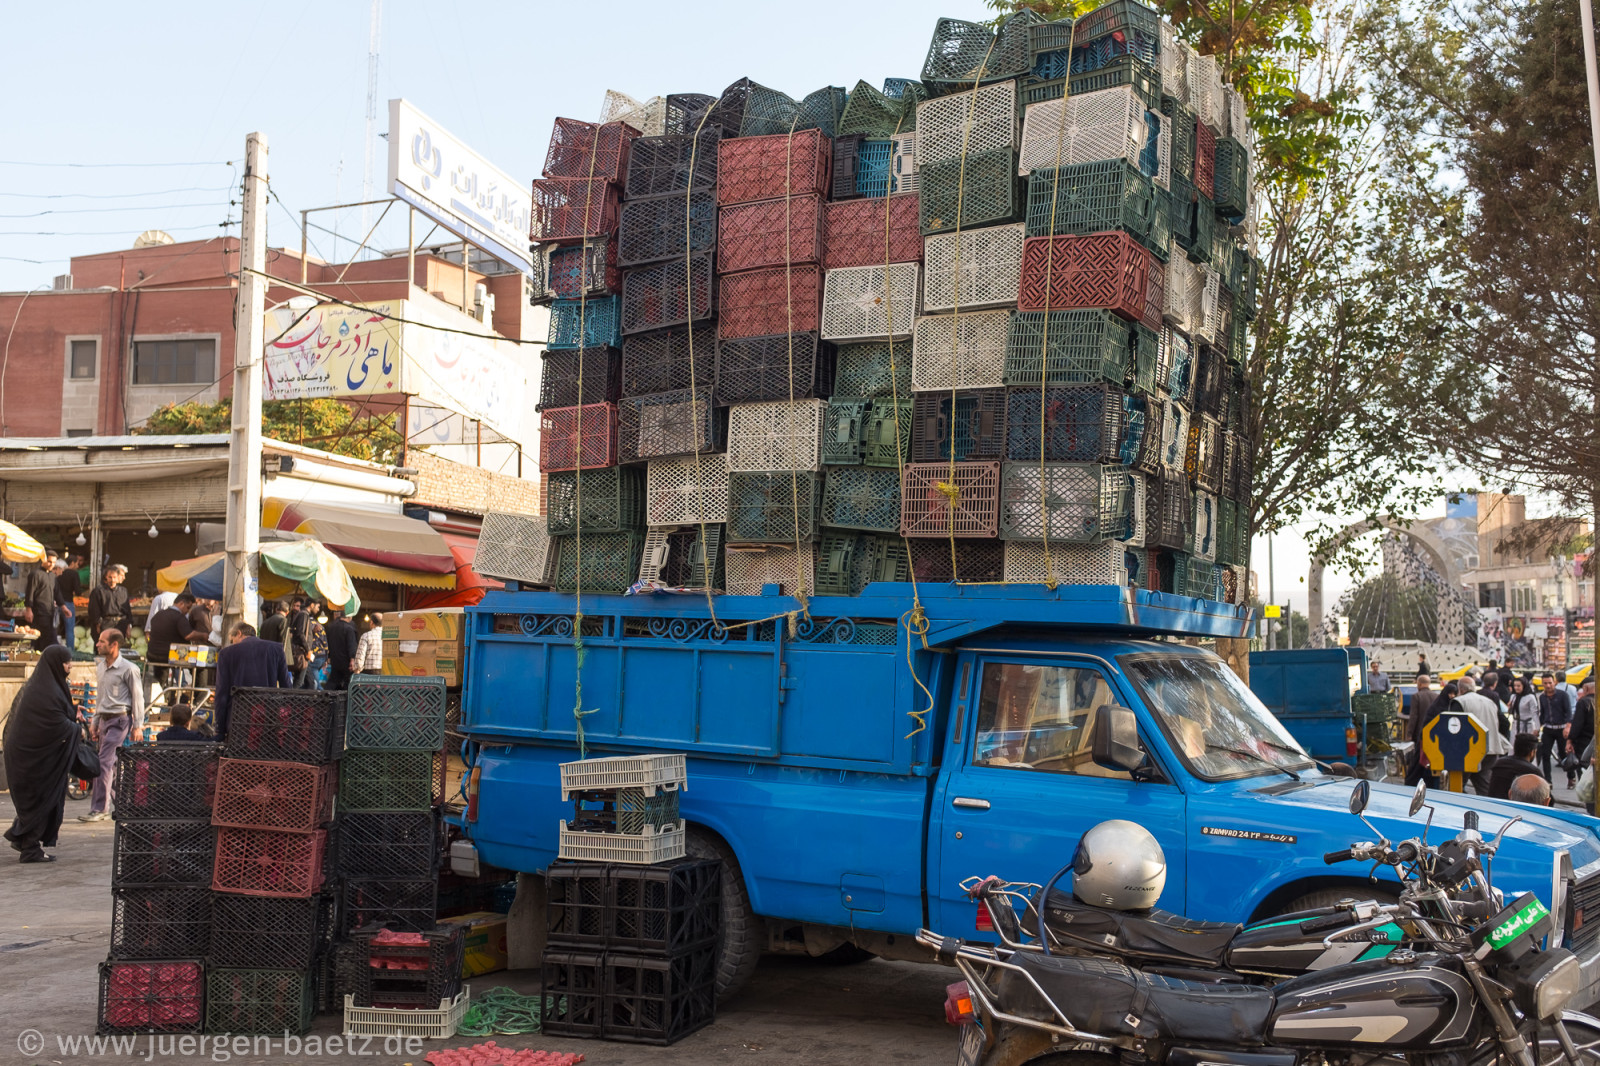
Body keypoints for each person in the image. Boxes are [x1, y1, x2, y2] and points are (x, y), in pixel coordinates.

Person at [1, 645, 79, 862]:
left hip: (34, 755)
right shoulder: (46, 692)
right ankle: (30, 850)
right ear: (56, 664)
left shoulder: (44, 686)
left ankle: (25, 842)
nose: (70, 666)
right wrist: (76, 728)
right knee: (41, 798)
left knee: (40, 799)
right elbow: (55, 723)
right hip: (31, 759)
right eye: (66, 662)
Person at [79, 629, 144, 822]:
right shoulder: (100, 667)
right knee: (111, 766)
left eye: (101, 641)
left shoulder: (129, 669)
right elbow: (100, 698)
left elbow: (137, 697)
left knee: (104, 763)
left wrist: (138, 725)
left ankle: (100, 809)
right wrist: (95, 722)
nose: (97, 644)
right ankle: (122, 807)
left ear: (113, 645)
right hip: (105, 721)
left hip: (121, 720)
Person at [213, 621, 293, 740]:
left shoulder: (226, 653)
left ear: (239, 633)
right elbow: (286, 686)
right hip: (269, 717)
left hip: (238, 719)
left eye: (232, 639)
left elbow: (221, 693)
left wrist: (220, 729)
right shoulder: (276, 649)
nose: (232, 643)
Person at [1455, 675, 1507, 795]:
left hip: (1469, 751)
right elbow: (1504, 722)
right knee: (1484, 785)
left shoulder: (1460, 701)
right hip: (1491, 749)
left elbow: (1455, 727)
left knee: (1457, 784)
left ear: (1461, 689)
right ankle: (1487, 809)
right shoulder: (1489, 702)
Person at [145, 591, 208, 667]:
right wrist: (203, 635)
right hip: (169, 656)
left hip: (152, 654)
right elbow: (188, 635)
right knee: (200, 666)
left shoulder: (159, 614)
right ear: (181, 603)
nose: (187, 611)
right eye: (188, 608)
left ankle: (161, 679)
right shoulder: (179, 617)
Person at [1405, 674, 1441, 787]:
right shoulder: (1437, 696)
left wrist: (1409, 733)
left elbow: (1414, 717)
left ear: (1419, 684)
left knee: (1418, 760)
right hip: (1434, 736)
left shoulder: (1417, 696)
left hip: (1420, 735)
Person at [1537, 672, 1573, 782]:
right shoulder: (1542, 697)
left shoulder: (1562, 695)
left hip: (1561, 728)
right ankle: (1548, 780)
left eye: (1550, 683)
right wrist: (1538, 726)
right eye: (1545, 683)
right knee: (1545, 754)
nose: (1548, 686)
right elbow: (1542, 713)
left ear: (1554, 682)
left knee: (1563, 754)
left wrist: (1568, 727)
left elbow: (1568, 712)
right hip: (1548, 729)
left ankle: (1571, 777)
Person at [22, 549, 58, 650]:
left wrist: (64, 607)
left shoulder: (52, 576)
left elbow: (57, 593)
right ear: (44, 560)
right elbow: (30, 592)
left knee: (48, 639)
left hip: (50, 613)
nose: (52, 564)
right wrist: (28, 610)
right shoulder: (35, 574)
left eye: (54, 562)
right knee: (38, 639)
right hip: (38, 613)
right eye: (50, 561)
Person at [1488, 734, 1543, 798]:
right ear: (1532, 752)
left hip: (1495, 804)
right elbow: (1548, 799)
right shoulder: (1534, 772)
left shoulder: (1499, 763)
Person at [85, 564, 132, 638]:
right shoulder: (98, 591)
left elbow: (128, 610)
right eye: (110, 577)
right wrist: (97, 624)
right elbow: (94, 610)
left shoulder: (123, 591)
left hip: (121, 624)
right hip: (105, 624)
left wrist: (128, 626)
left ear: (118, 577)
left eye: (114, 577)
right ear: (106, 577)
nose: (112, 580)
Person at [323, 607, 358, 691]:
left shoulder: (331, 627)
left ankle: (325, 698)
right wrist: (352, 659)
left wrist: (328, 657)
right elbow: (351, 645)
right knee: (348, 682)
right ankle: (345, 702)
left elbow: (326, 642)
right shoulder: (349, 629)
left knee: (333, 680)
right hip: (346, 660)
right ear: (350, 617)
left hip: (334, 659)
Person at [1569, 679, 1596, 788]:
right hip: (1593, 739)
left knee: (1584, 767)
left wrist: (1570, 740)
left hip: (1584, 741)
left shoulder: (1584, 702)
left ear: (1586, 688)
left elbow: (1577, 724)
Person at [287, 597, 315, 688]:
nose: (317, 609)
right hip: (302, 653)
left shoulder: (301, 615)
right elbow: (300, 633)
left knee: (309, 681)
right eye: (317, 606)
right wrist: (308, 650)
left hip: (302, 653)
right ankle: (292, 699)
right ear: (312, 605)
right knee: (300, 681)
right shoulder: (303, 615)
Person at [53, 556, 79, 649]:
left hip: (56, 603)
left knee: (54, 628)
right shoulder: (73, 574)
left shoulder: (53, 577)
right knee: (69, 630)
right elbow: (77, 591)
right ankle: (70, 652)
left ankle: (53, 649)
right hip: (68, 603)